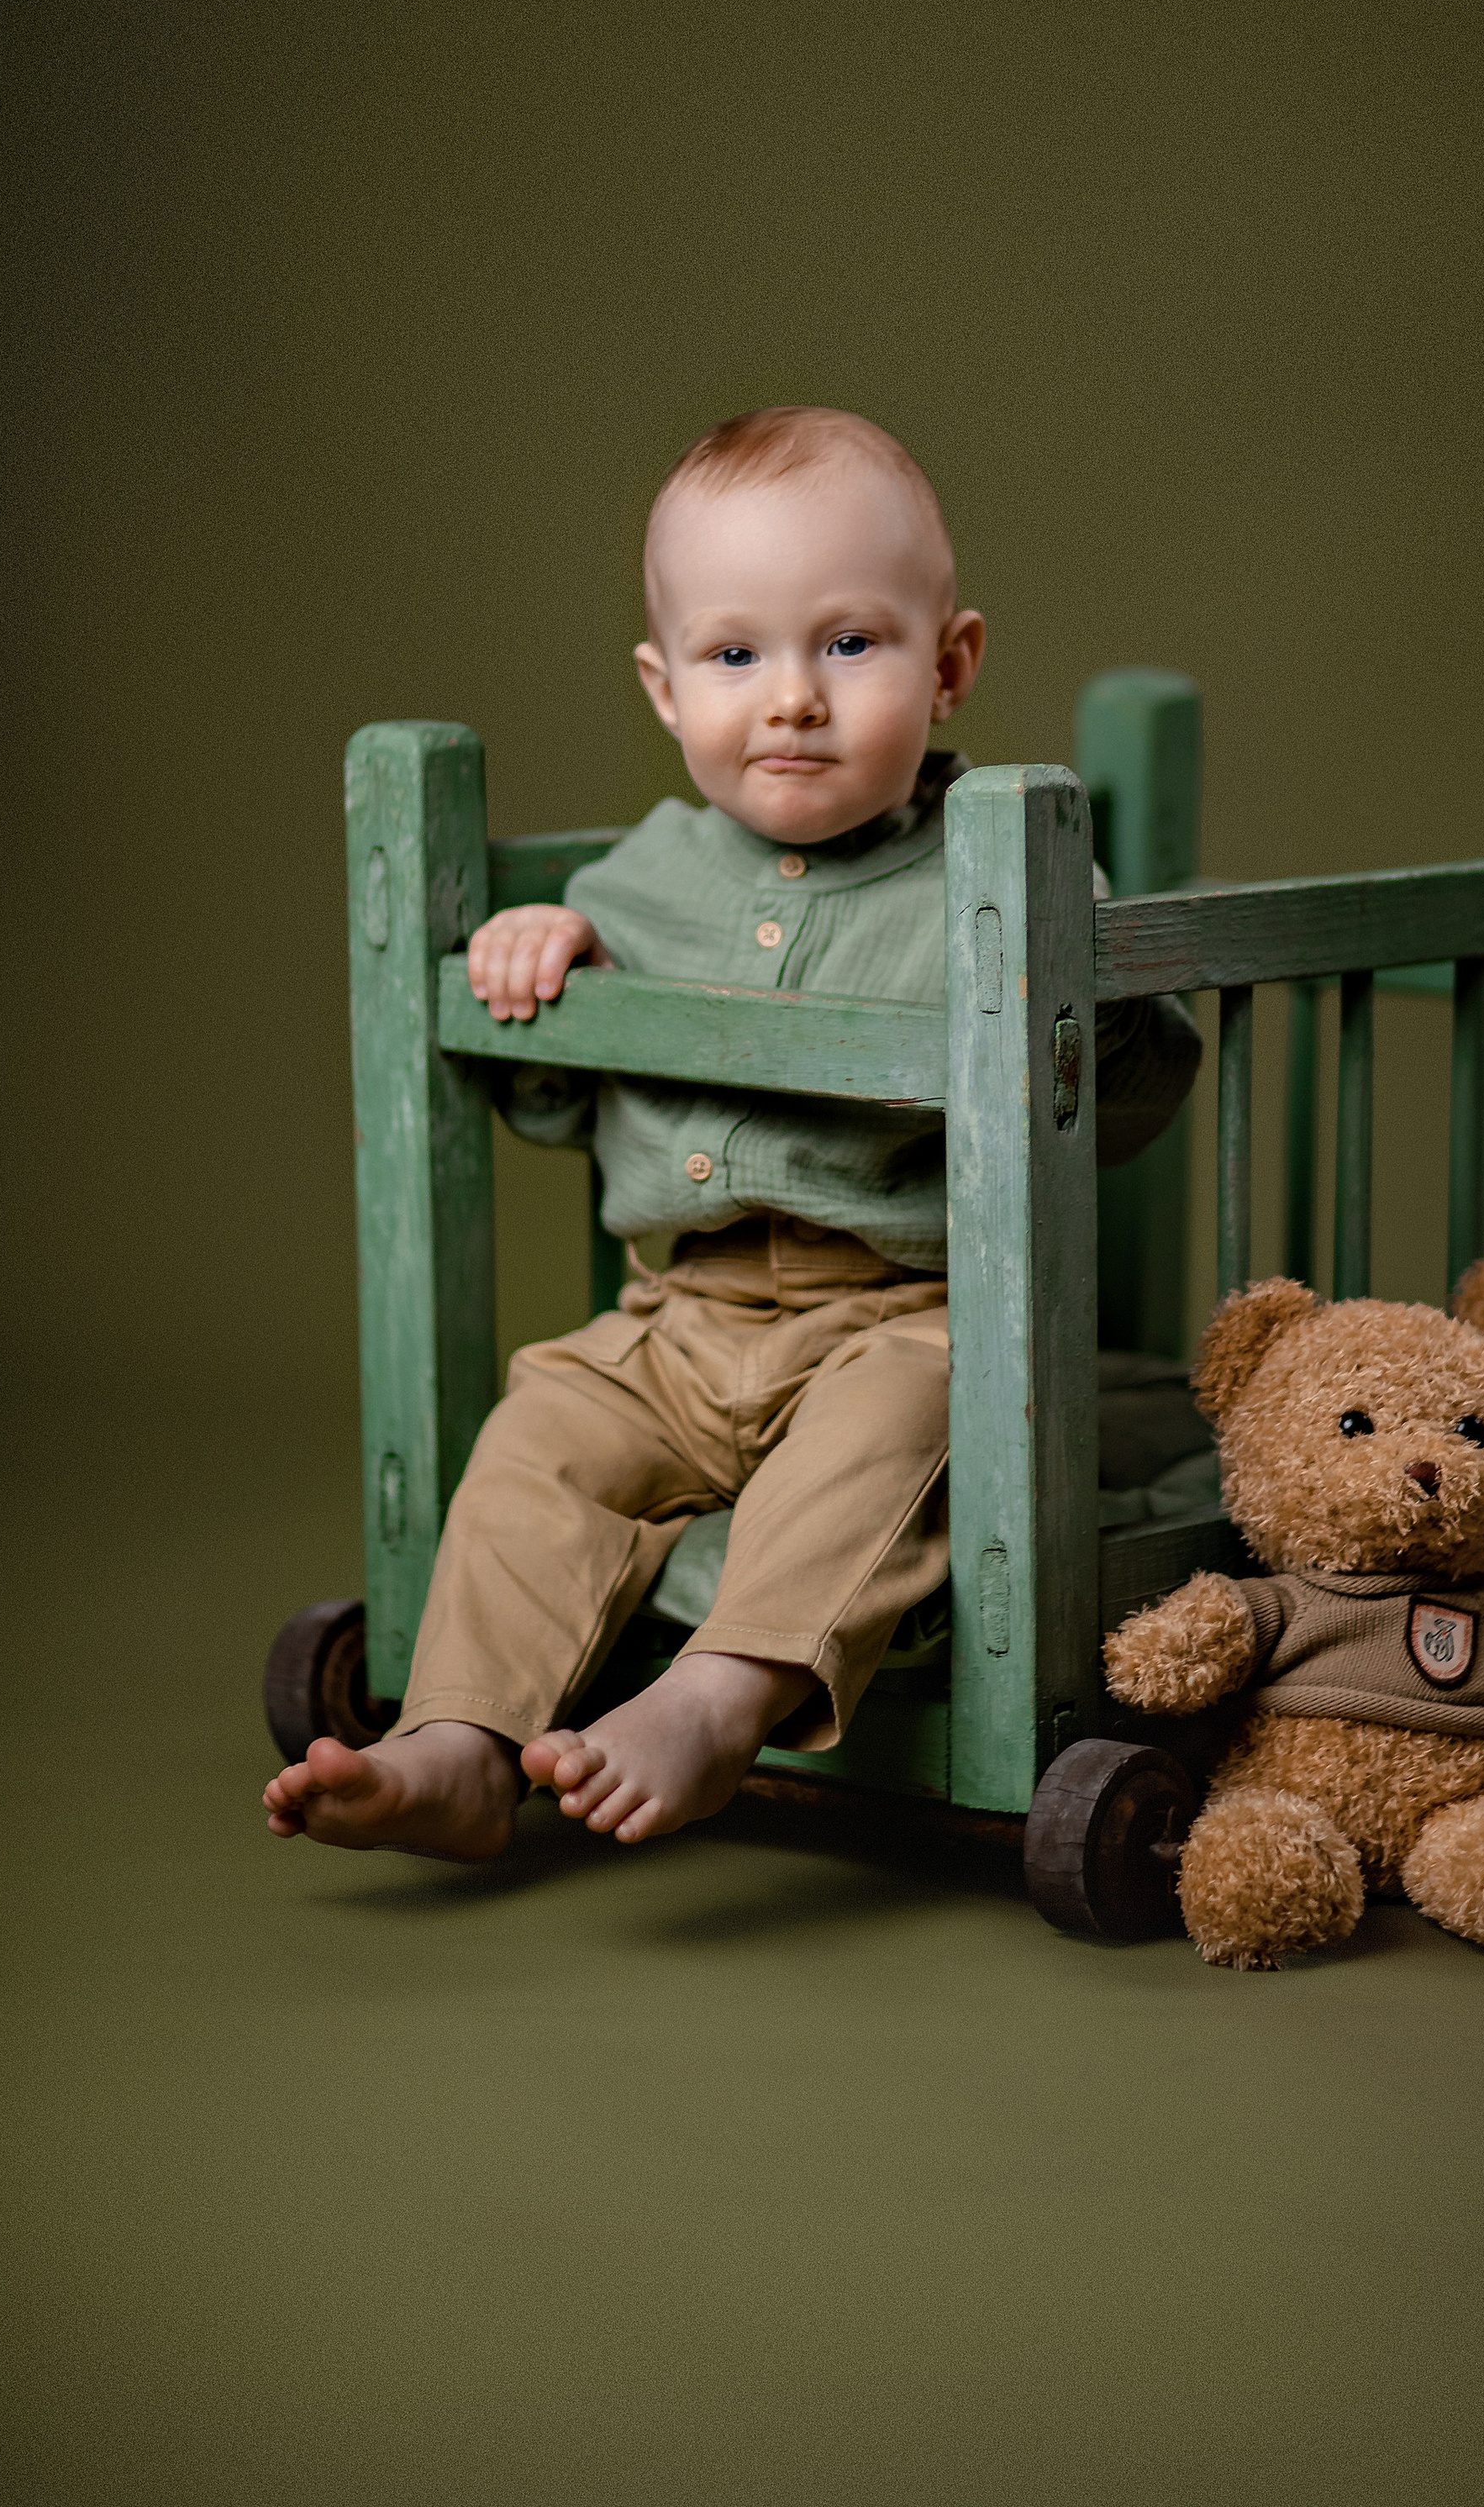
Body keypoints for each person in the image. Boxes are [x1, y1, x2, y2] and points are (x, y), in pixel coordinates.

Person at [264, 407, 1200, 1861]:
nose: (792, 701)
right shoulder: (638, 875)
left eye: (849, 645)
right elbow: (559, 1096)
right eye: (735, 654)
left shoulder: (997, 865)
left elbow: (1126, 1104)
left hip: (897, 1316)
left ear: (950, 666)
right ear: (663, 687)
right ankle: (458, 1738)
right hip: (675, 1323)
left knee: (920, 1420)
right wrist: (547, 955)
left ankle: (717, 1697)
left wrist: (1094, 981)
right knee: (541, 1437)